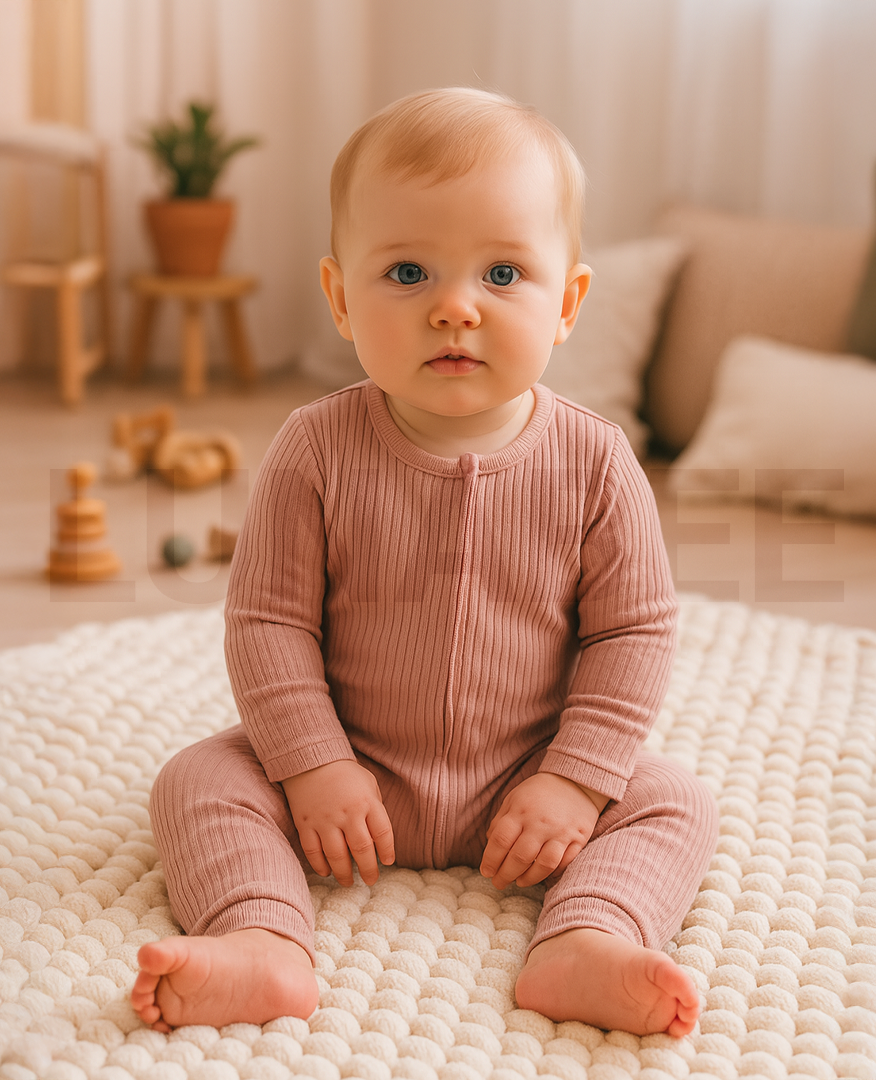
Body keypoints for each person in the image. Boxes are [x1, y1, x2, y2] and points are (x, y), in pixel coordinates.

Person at [131, 87, 719, 1037]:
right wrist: (313, 766)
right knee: (197, 780)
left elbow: (633, 632)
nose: (454, 308)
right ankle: (261, 938)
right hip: (352, 769)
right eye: (408, 272)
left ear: (567, 304)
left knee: (672, 802)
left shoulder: (598, 462)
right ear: (340, 299)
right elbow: (270, 623)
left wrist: (574, 780)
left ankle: (589, 937)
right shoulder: (313, 449)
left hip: (525, 775)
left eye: (502, 273)